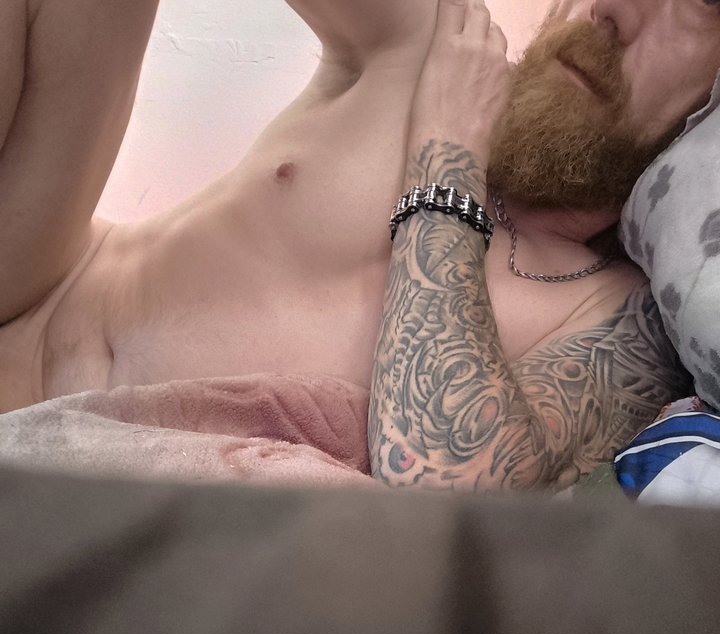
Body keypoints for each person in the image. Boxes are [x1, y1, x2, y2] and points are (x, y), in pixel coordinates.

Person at [0, 0, 716, 489]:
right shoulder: (440, 44)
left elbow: (444, 485)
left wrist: (448, 152)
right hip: (34, 282)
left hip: (74, 477)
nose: (612, 8)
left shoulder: (617, 318)